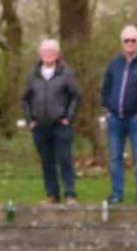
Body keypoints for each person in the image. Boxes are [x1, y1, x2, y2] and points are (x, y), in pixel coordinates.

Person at [101, 25, 137, 206]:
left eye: (133, 40)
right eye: (127, 40)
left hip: (136, 119)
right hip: (115, 118)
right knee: (115, 157)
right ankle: (117, 194)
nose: (130, 44)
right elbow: (106, 88)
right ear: (122, 42)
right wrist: (107, 109)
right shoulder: (114, 64)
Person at [22, 39, 80, 206]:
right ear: (40, 53)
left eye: (52, 51)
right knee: (47, 162)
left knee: (65, 159)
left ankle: (70, 194)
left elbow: (75, 96)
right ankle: (52, 194)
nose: (49, 54)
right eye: (45, 51)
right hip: (40, 126)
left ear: (58, 54)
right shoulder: (33, 74)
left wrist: (68, 117)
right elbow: (25, 99)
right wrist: (30, 120)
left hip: (60, 125)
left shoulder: (66, 73)